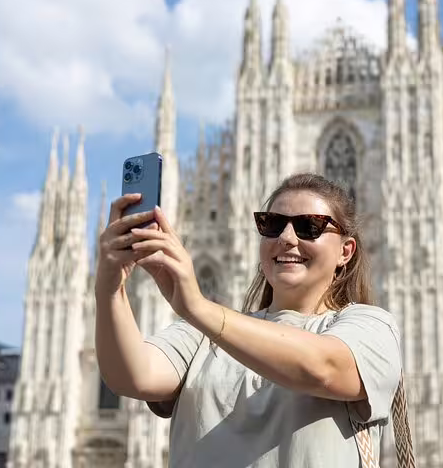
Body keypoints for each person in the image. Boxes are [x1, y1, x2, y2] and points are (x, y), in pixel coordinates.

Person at [94, 173, 403, 467]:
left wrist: (199, 307)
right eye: (272, 224)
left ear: (345, 251)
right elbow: (131, 375)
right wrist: (110, 288)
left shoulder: (370, 327)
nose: (286, 237)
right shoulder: (199, 336)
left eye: (309, 226)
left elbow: (324, 368)